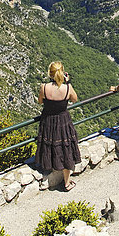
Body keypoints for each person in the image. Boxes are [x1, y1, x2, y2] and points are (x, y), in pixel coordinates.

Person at [35, 61, 81, 191]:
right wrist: (66, 82)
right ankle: (67, 182)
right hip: (63, 121)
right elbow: (74, 99)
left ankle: (49, 168)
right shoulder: (67, 88)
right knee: (66, 148)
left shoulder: (44, 87)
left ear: (50, 74)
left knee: (50, 145)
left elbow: (40, 101)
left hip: (48, 121)